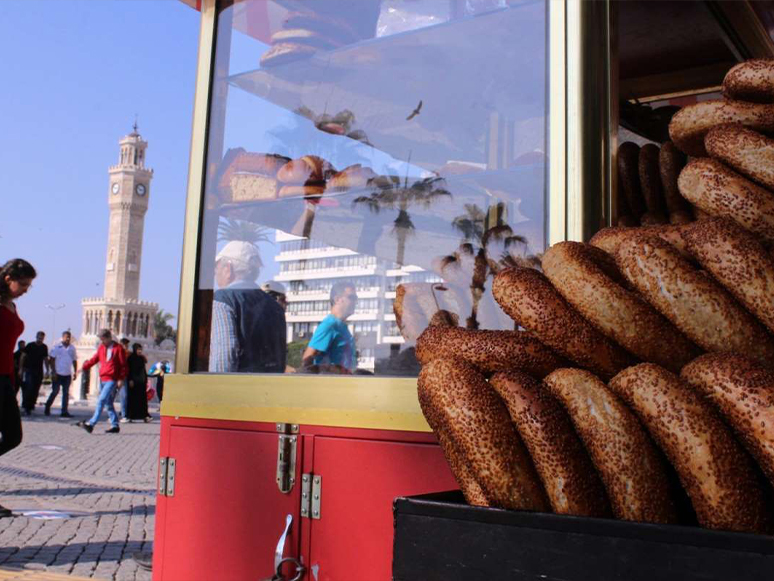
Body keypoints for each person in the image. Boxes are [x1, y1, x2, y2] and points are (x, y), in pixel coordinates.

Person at [209, 241, 286, 373]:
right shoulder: (275, 307)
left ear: (228, 268)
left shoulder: (223, 299)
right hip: (270, 388)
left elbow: (225, 354)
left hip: (238, 390)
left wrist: (218, 389)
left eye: (217, 269)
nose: (216, 275)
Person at [0, 258, 36, 517]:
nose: (25, 289)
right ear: (7, 279)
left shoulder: (11, 305)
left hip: (5, 380)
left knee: (13, 436)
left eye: (29, 285)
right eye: (22, 284)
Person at [77, 329, 127, 434]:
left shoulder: (118, 349)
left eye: (103, 339)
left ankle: (91, 424)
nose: (102, 341)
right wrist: (83, 367)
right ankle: (115, 425)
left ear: (109, 337)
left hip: (111, 379)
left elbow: (123, 366)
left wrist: (121, 378)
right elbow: (94, 359)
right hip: (103, 378)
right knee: (108, 403)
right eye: (101, 339)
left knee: (101, 400)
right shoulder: (101, 348)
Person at [302, 281, 358, 374]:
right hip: (331, 385)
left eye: (356, 298)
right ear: (337, 299)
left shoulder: (341, 326)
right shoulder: (329, 325)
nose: (355, 302)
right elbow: (307, 360)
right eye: (352, 297)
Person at [45, 330, 77, 417]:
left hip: (67, 374)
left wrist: (75, 371)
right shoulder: (56, 347)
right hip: (58, 373)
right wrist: (53, 371)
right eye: (66, 337)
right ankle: (47, 406)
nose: (68, 338)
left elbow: (74, 360)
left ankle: (64, 411)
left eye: (69, 337)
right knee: (55, 391)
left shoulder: (72, 348)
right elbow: (51, 360)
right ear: (63, 337)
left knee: (66, 393)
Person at [20, 331, 48, 415]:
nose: (40, 339)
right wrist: (21, 369)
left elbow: (45, 359)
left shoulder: (44, 347)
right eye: (39, 338)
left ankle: (31, 405)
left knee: (36, 389)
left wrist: (47, 370)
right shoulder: (30, 345)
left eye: (42, 338)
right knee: (29, 388)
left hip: (39, 371)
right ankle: (26, 407)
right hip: (29, 370)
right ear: (36, 337)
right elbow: (22, 357)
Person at [125, 343, 150, 422]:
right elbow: (129, 370)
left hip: (141, 383)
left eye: (140, 349)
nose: (140, 351)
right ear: (135, 349)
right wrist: (130, 379)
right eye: (138, 349)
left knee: (142, 400)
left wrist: (145, 380)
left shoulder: (141, 359)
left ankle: (144, 416)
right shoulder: (130, 358)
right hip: (133, 382)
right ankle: (130, 416)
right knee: (132, 400)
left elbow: (143, 370)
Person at [118, 337, 131, 421]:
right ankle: (111, 415)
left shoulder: (129, 354)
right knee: (110, 397)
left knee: (124, 395)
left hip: (124, 377)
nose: (125, 346)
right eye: (124, 345)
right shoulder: (116, 353)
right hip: (115, 377)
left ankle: (124, 414)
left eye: (126, 345)